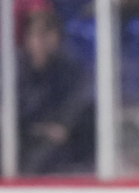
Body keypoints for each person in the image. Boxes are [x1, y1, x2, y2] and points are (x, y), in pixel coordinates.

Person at [18, 9, 94, 174]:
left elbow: (77, 104)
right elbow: (14, 113)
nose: (42, 41)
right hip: (24, 136)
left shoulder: (70, 68)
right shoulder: (17, 70)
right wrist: (41, 129)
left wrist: (64, 125)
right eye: (37, 34)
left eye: (48, 34)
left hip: (62, 141)